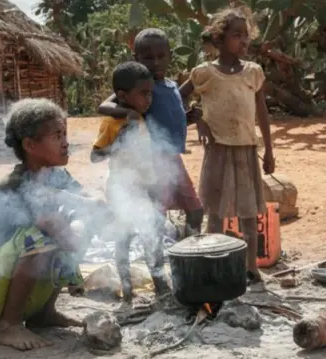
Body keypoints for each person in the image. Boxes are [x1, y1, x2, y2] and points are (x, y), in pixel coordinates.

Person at [0, 98, 103, 351]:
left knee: (78, 224)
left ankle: (43, 315)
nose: (66, 142)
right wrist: (75, 227)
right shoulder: (15, 184)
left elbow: (92, 199)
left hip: (9, 293)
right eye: (57, 135)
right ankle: (8, 326)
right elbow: (50, 224)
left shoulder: (57, 176)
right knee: (43, 237)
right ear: (30, 144)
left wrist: (80, 212)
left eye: (65, 133)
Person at [180, 6, 276, 285]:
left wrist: (268, 149)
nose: (244, 41)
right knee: (216, 211)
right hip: (218, 150)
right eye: (237, 35)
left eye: (246, 36)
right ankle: (216, 266)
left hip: (246, 149)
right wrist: (197, 119)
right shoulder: (204, 73)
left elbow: (262, 112)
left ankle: (250, 268)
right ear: (219, 40)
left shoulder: (253, 72)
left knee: (249, 211)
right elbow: (179, 98)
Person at [97, 28, 204, 235]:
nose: (155, 62)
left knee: (196, 210)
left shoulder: (172, 86)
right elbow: (104, 106)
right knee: (157, 215)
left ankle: (190, 250)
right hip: (151, 160)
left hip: (173, 159)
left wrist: (188, 119)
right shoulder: (140, 88)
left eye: (161, 56)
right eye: (148, 57)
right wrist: (130, 113)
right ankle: (161, 256)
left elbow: (168, 121)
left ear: (170, 56)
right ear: (136, 58)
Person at [91, 61, 171, 305]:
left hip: (145, 187)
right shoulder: (113, 123)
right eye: (143, 94)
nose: (148, 99)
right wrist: (118, 143)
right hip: (122, 190)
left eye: (150, 93)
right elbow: (95, 156)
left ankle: (161, 288)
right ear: (124, 96)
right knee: (124, 239)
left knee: (153, 236)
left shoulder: (138, 116)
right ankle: (127, 290)